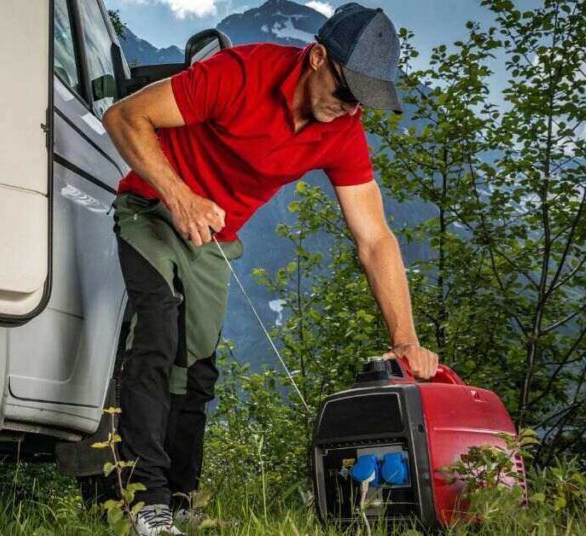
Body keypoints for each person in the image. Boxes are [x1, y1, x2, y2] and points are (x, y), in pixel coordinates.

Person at [100, 3, 440, 535]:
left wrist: (405, 340)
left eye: (363, 103)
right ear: (317, 57)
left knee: (198, 368)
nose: (351, 110)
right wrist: (181, 196)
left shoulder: (342, 130)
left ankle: (181, 501)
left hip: (213, 237)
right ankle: (147, 502)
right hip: (151, 205)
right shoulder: (240, 75)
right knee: (158, 332)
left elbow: (374, 238)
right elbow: (123, 115)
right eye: (347, 92)